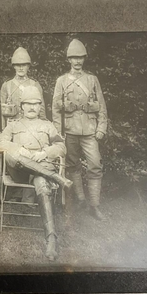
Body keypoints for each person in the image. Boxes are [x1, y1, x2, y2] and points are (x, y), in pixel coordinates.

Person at [0, 86, 72, 261]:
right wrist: (19, 149)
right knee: (14, 156)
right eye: (28, 104)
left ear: (40, 107)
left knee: (43, 186)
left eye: (35, 104)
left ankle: (51, 239)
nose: (31, 107)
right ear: (21, 106)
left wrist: (44, 153)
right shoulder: (13, 125)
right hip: (19, 171)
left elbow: (61, 147)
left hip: (39, 169)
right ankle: (56, 177)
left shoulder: (48, 126)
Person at [52, 39, 108, 220]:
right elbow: (55, 108)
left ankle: (95, 206)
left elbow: (101, 105)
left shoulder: (92, 80)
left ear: (84, 59)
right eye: (74, 58)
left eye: (80, 58)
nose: (77, 61)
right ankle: (81, 199)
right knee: (72, 165)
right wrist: (58, 132)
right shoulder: (61, 81)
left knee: (95, 164)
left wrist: (101, 127)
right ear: (69, 60)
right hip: (69, 131)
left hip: (90, 131)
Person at [0, 47, 46, 133]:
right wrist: (0, 131)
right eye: (18, 65)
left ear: (28, 66)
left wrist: (43, 130)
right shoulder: (7, 85)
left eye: (24, 65)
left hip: (32, 129)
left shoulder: (35, 85)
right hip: (12, 129)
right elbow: (0, 112)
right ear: (14, 66)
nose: (21, 68)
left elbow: (41, 110)